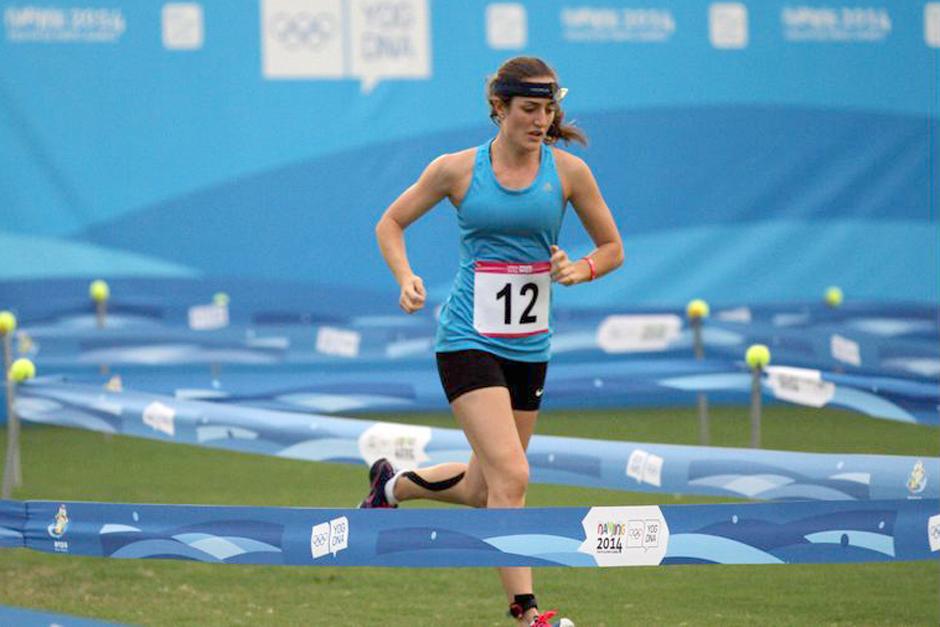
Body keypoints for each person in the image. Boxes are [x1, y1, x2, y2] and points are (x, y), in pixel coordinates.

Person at [366, 56, 623, 627]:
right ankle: (527, 611)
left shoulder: (569, 173)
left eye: (548, 109)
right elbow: (390, 223)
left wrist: (580, 269)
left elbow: (611, 248)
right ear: (499, 108)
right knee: (514, 477)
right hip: (466, 338)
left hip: (529, 347)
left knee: (489, 486)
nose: (540, 120)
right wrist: (405, 276)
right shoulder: (457, 170)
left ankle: (393, 486)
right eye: (529, 109)